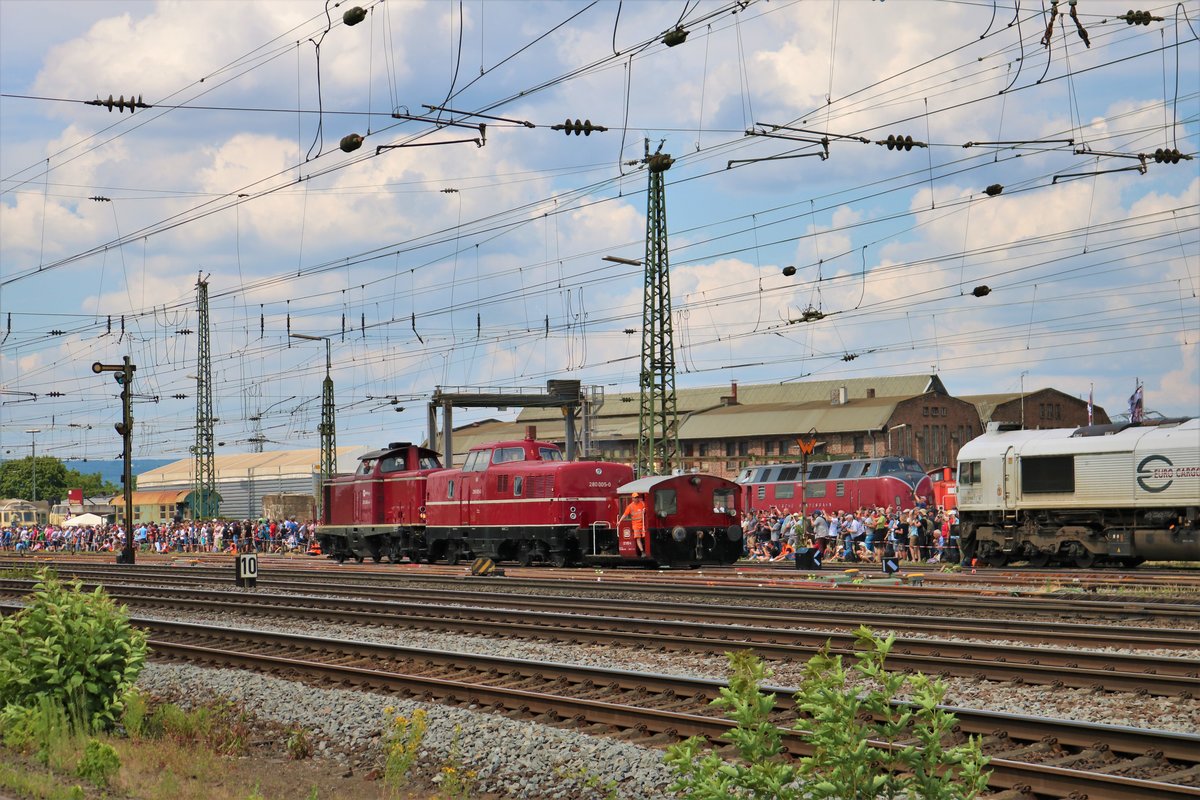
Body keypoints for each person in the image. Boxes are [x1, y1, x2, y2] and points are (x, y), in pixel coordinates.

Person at [619, 492, 648, 557]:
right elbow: (625, 514)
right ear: (632, 498)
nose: (637, 498)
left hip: (643, 524)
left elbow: (647, 510)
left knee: (645, 537)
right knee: (638, 538)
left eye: (637, 497)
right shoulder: (630, 506)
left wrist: (645, 511)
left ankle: (646, 551)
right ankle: (642, 552)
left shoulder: (643, 503)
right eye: (635, 497)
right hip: (636, 525)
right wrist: (620, 521)